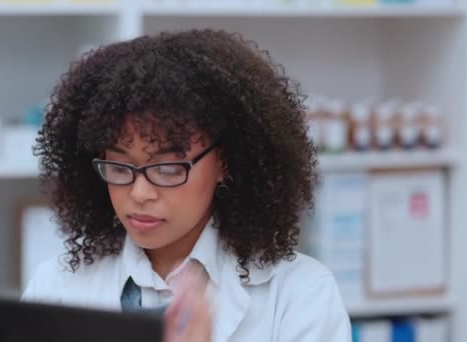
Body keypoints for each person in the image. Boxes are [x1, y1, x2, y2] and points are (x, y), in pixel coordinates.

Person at [22, 29, 351, 342]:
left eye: (166, 168)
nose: (139, 193)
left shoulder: (300, 294)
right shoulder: (57, 287)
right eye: (119, 166)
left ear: (225, 162)